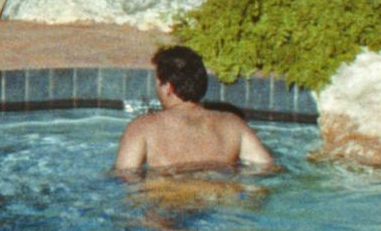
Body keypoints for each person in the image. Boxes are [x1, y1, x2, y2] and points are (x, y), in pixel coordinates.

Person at [112, 41, 278, 178]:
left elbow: (124, 176)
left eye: (157, 83)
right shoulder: (232, 123)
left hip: (167, 199)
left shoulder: (142, 127)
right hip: (218, 198)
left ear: (168, 87)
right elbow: (267, 168)